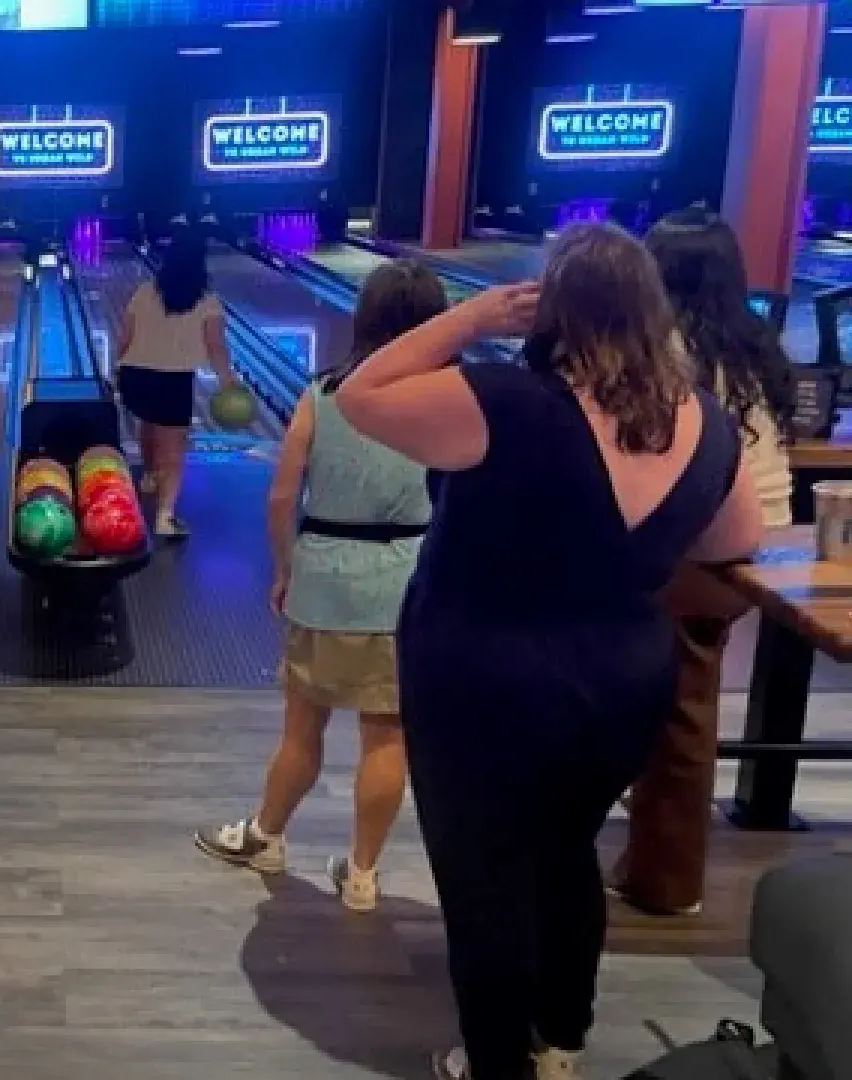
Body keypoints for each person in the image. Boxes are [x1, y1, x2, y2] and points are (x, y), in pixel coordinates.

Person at [334, 222, 765, 1080]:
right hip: (621, 687)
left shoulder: (501, 401)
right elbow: (735, 544)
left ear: (551, 308)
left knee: (483, 879)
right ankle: (562, 1041)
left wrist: (472, 317)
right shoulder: (705, 423)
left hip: (482, 685)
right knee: (567, 854)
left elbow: (360, 392)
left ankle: (496, 1062)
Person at [198, 260, 447, 913]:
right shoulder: (448, 399)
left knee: (300, 730)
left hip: (325, 578)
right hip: (406, 585)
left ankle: (265, 837)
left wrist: (283, 567)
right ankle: (361, 875)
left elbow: (282, 496)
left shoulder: (324, 394)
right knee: (386, 739)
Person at [613, 209, 796, 916]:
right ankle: (646, 833)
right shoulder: (754, 344)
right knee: (673, 697)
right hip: (760, 543)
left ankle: (667, 882)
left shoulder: (670, 355)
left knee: (680, 710)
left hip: (703, 552)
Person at [116, 230, 239, 539]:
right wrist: (227, 380)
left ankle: (149, 477)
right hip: (173, 380)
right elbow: (215, 346)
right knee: (173, 451)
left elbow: (126, 334)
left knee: (148, 422)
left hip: (135, 374)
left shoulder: (145, 291)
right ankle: (164, 517)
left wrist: (115, 368)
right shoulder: (208, 302)